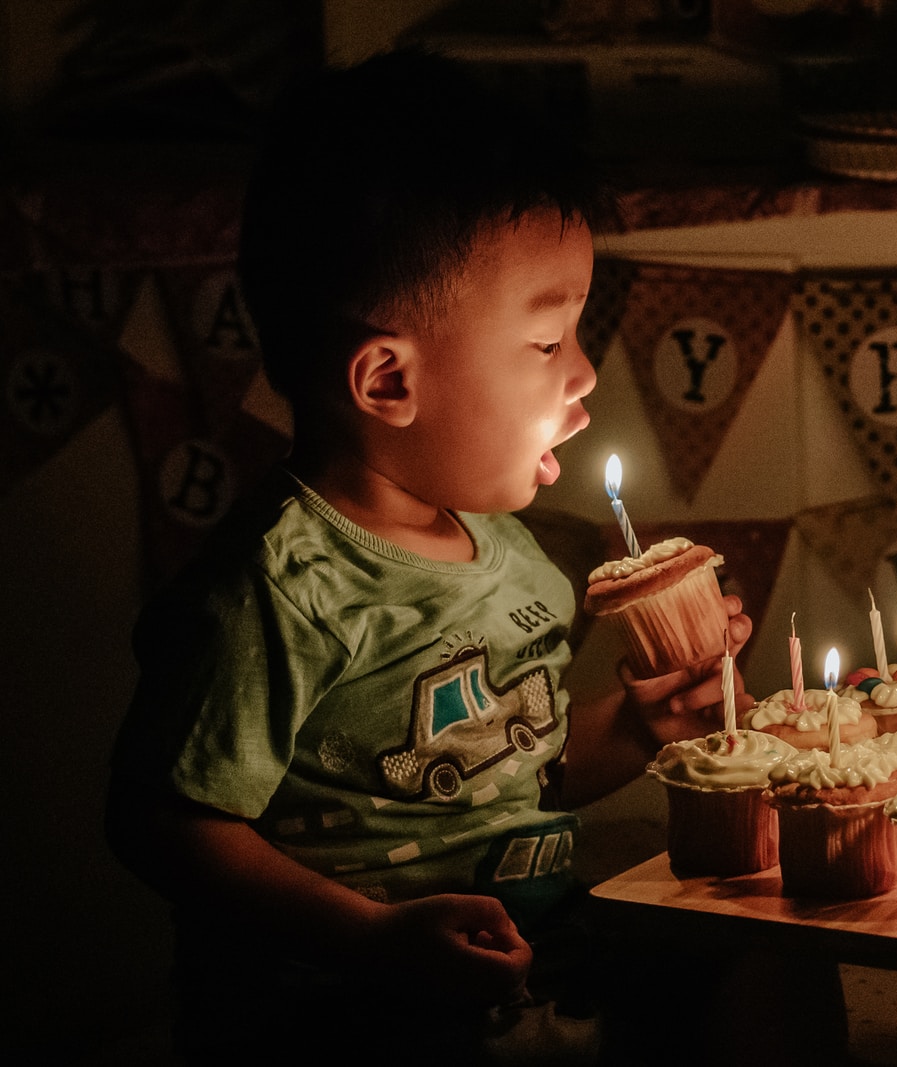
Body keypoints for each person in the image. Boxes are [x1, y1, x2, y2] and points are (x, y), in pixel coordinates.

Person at [104, 47, 759, 1065]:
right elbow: (166, 822)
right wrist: (366, 936)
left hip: (515, 975)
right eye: (547, 343)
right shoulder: (277, 590)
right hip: (334, 1010)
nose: (584, 373)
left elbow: (513, 770)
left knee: (746, 968)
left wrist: (636, 722)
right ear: (387, 380)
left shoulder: (508, 551)